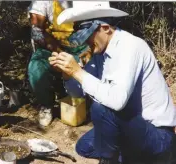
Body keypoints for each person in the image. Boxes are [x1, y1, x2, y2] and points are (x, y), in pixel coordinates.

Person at [49, 1, 176, 164]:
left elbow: (117, 101)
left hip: (157, 133)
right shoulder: (100, 54)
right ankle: (129, 156)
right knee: (84, 147)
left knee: (102, 109)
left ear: (105, 28)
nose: (86, 42)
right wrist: (67, 75)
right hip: (131, 125)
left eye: (88, 36)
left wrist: (77, 71)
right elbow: (78, 94)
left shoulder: (130, 46)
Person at [28, 1, 90, 126]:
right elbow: (36, 31)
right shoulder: (43, 2)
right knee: (36, 67)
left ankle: (87, 101)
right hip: (53, 46)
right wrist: (59, 52)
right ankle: (46, 105)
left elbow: (97, 26)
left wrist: (90, 51)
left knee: (97, 61)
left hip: (81, 44)